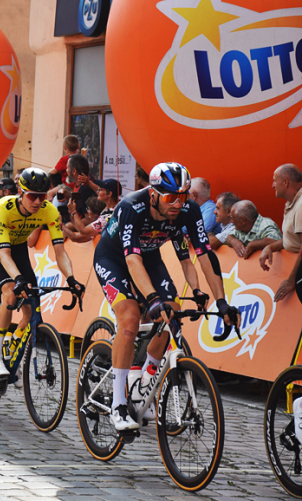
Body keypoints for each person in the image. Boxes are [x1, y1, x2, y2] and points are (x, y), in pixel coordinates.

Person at [93, 162, 240, 431]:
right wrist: (151, 299)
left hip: (149, 257)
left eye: (183, 197)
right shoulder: (131, 207)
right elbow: (132, 259)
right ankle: (118, 403)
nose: (178, 204)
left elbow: (203, 255)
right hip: (114, 258)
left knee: (171, 312)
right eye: (171, 197)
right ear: (153, 194)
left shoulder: (188, 210)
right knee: (130, 319)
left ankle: (145, 382)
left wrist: (221, 301)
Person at [0, 167, 84, 377]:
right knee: (10, 293)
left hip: (18, 249)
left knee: (30, 311)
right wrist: (17, 279)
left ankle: (13, 347)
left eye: (42, 197)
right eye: (32, 196)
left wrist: (71, 279)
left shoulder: (50, 211)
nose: (37, 202)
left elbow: (60, 251)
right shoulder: (3, 207)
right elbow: (3, 255)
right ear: (21, 192)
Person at [260, 164, 302, 303]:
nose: (272, 185)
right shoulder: (292, 202)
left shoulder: (301, 204)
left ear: (285, 182)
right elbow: (291, 239)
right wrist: (270, 247)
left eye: (274, 180)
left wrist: (292, 280)